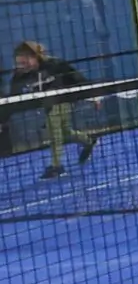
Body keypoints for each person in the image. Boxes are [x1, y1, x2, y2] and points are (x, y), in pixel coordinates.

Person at [9, 41, 95, 180]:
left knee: (53, 129)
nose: (22, 66)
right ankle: (88, 141)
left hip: (64, 98)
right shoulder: (20, 75)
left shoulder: (55, 65)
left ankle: (56, 166)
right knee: (65, 132)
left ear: (35, 57)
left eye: (25, 62)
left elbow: (77, 77)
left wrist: (93, 96)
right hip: (47, 103)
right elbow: (12, 97)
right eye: (19, 63)